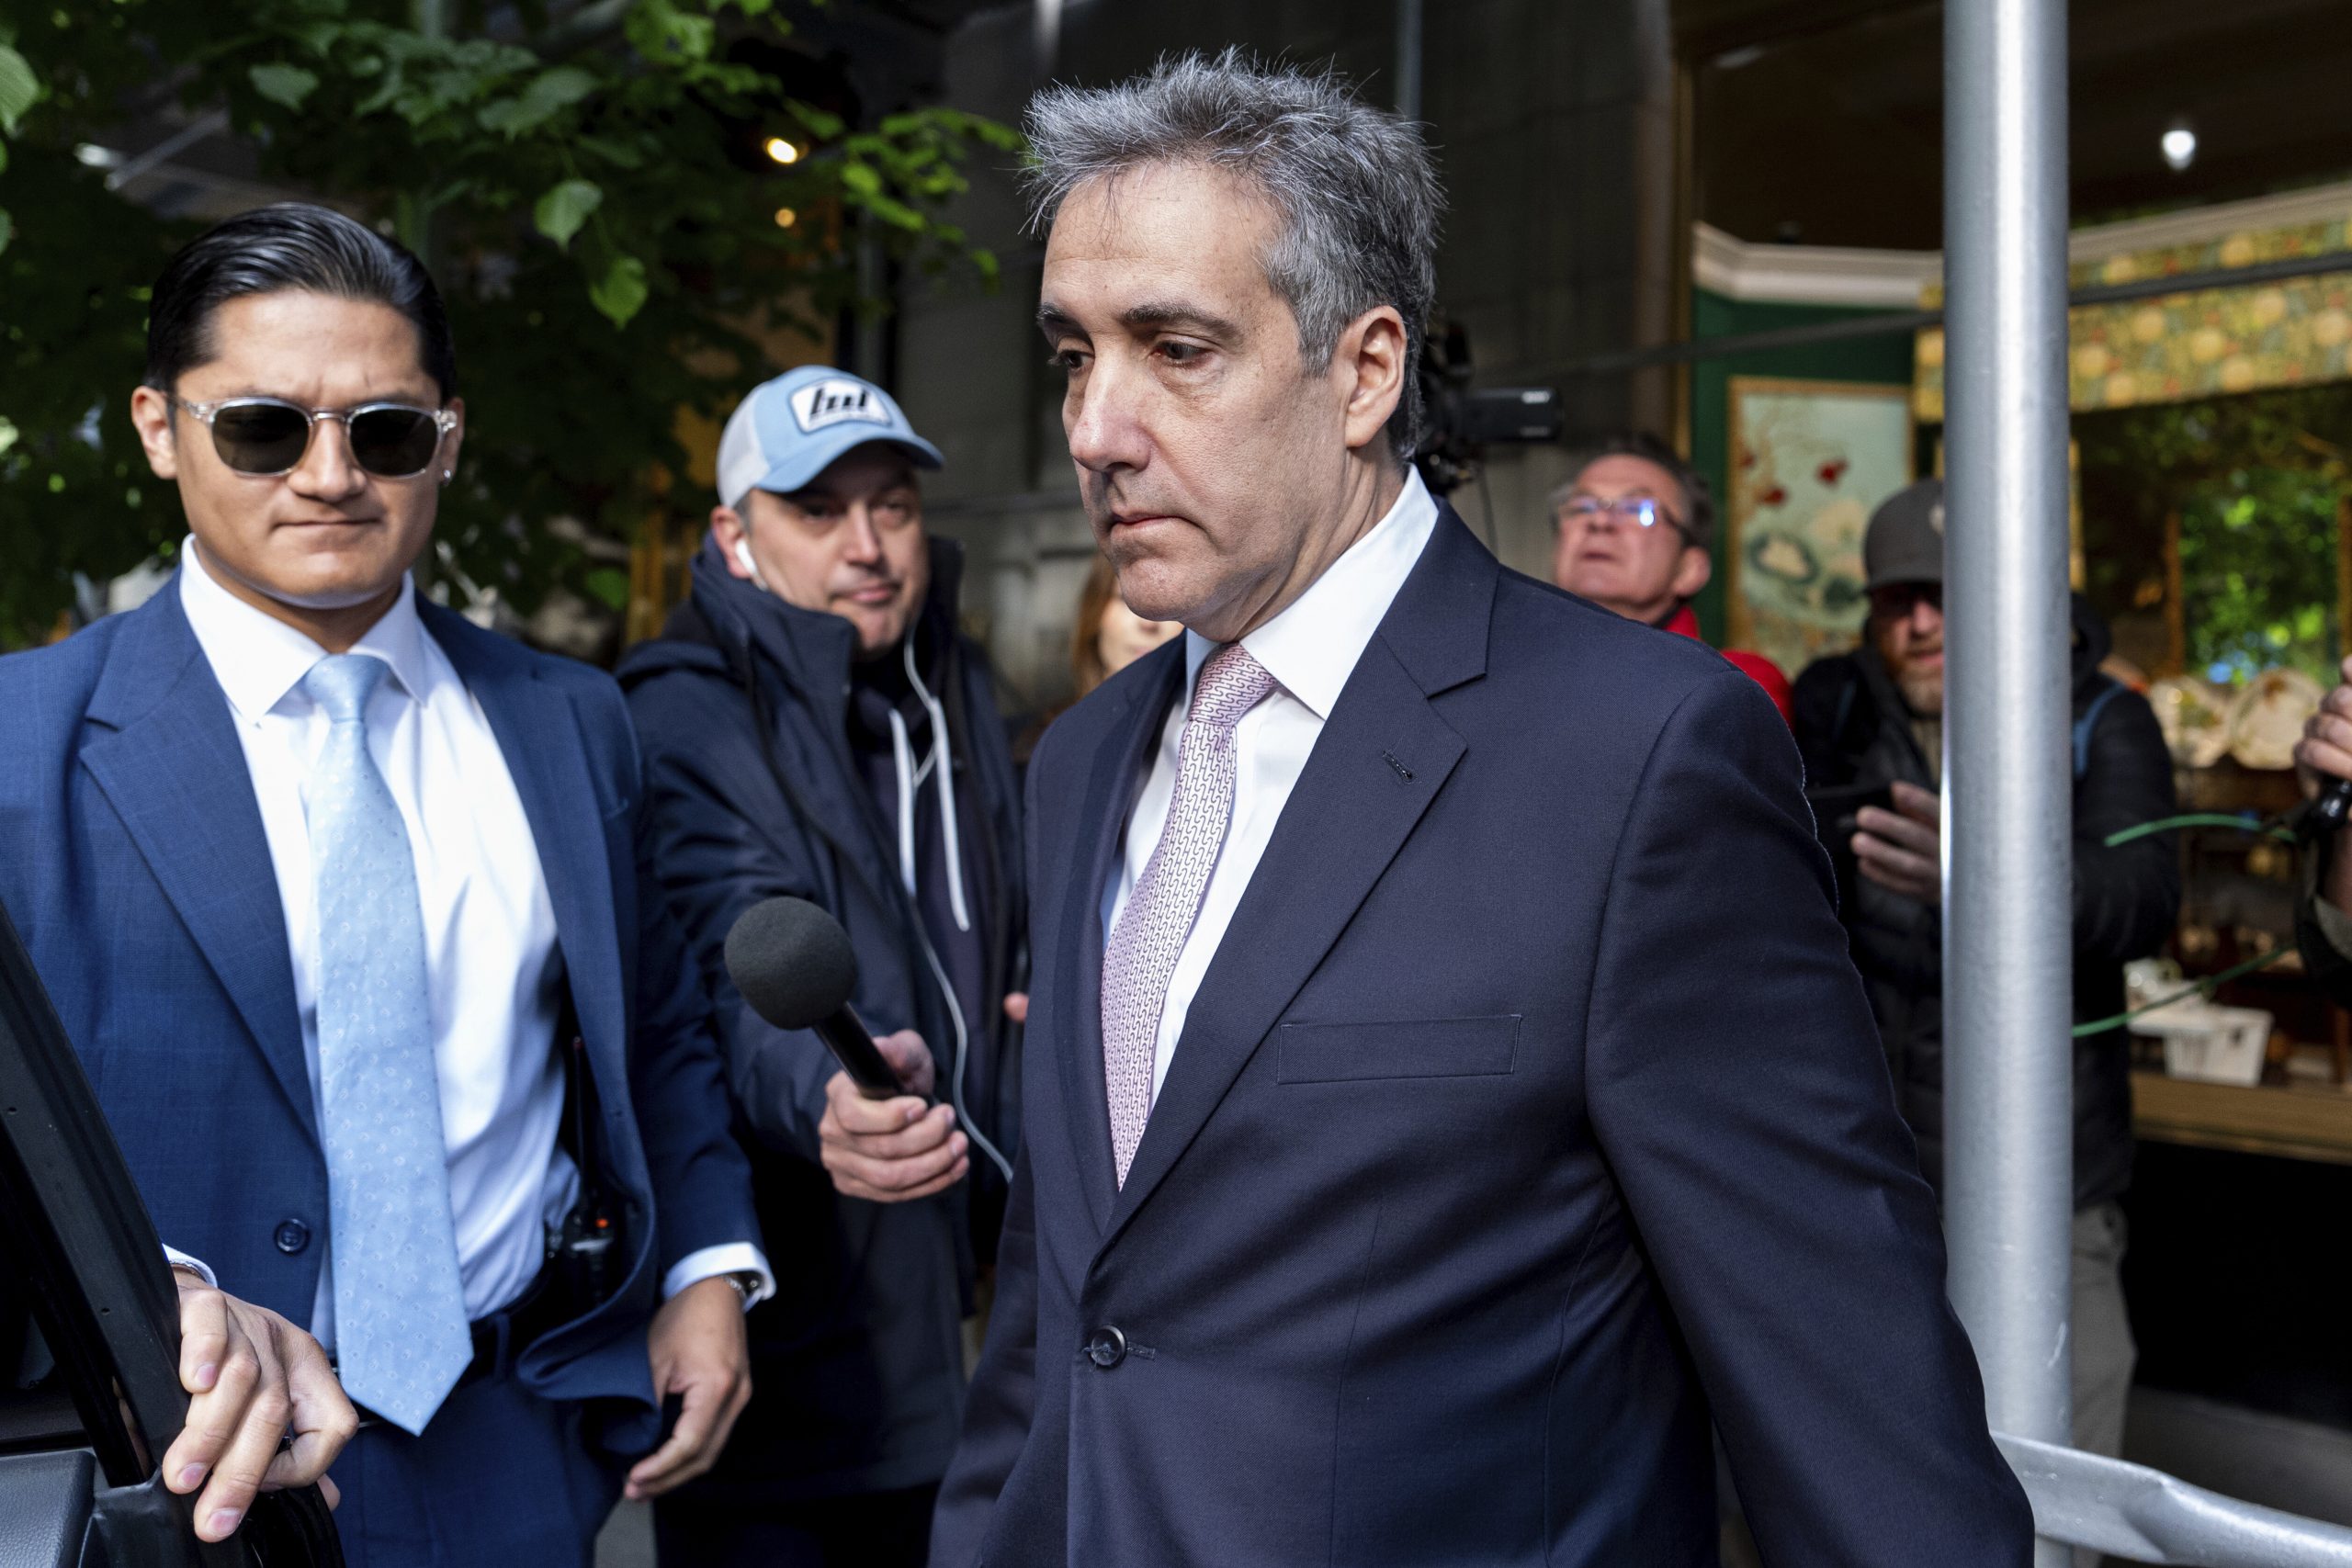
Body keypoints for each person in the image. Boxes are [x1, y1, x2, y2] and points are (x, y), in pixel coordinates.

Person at [929, 52, 2030, 1568]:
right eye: (1073, 355)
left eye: (1176, 349)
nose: (1096, 428)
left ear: (1366, 370)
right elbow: (1066, 1310)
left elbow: (1847, 1384)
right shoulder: (1081, 760)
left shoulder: (1639, 753)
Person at [0, 203, 768, 1567]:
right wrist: (149, 1293)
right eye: (263, 428)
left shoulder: (569, 720)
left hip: (518, 1432)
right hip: (183, 1463)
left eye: (386, 431)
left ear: (448, 439)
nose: (330, 475)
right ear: (159, 427)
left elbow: (653, 1026)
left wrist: (708, 1262)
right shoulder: (22, 743)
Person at [617, 367, 1024, 1568]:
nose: (868, 545)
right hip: (797, 1341)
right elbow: (736, 951)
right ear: (733, 536)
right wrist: (831, 1094)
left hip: (972, 1315)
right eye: (817, 510)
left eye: (891, 505)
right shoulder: (684, 711)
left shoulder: (952, 684)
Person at [1791, 478, 2180, 1463]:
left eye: (1944, 595)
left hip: (2045, 1180)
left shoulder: (2099, 714)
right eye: (1896, 602)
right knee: (1854, 1467)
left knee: (2049, 1470)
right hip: (1864, 1173)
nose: (1920, 624)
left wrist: (1990, 878)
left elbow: (2143, 901)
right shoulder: (1836, 706)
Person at [1551, 432, 1793, 723]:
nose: (1599, 521)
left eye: (1637, 509)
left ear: (1689, 570)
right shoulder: (1517, 661)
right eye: (1583, 507)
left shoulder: (1734, 683)